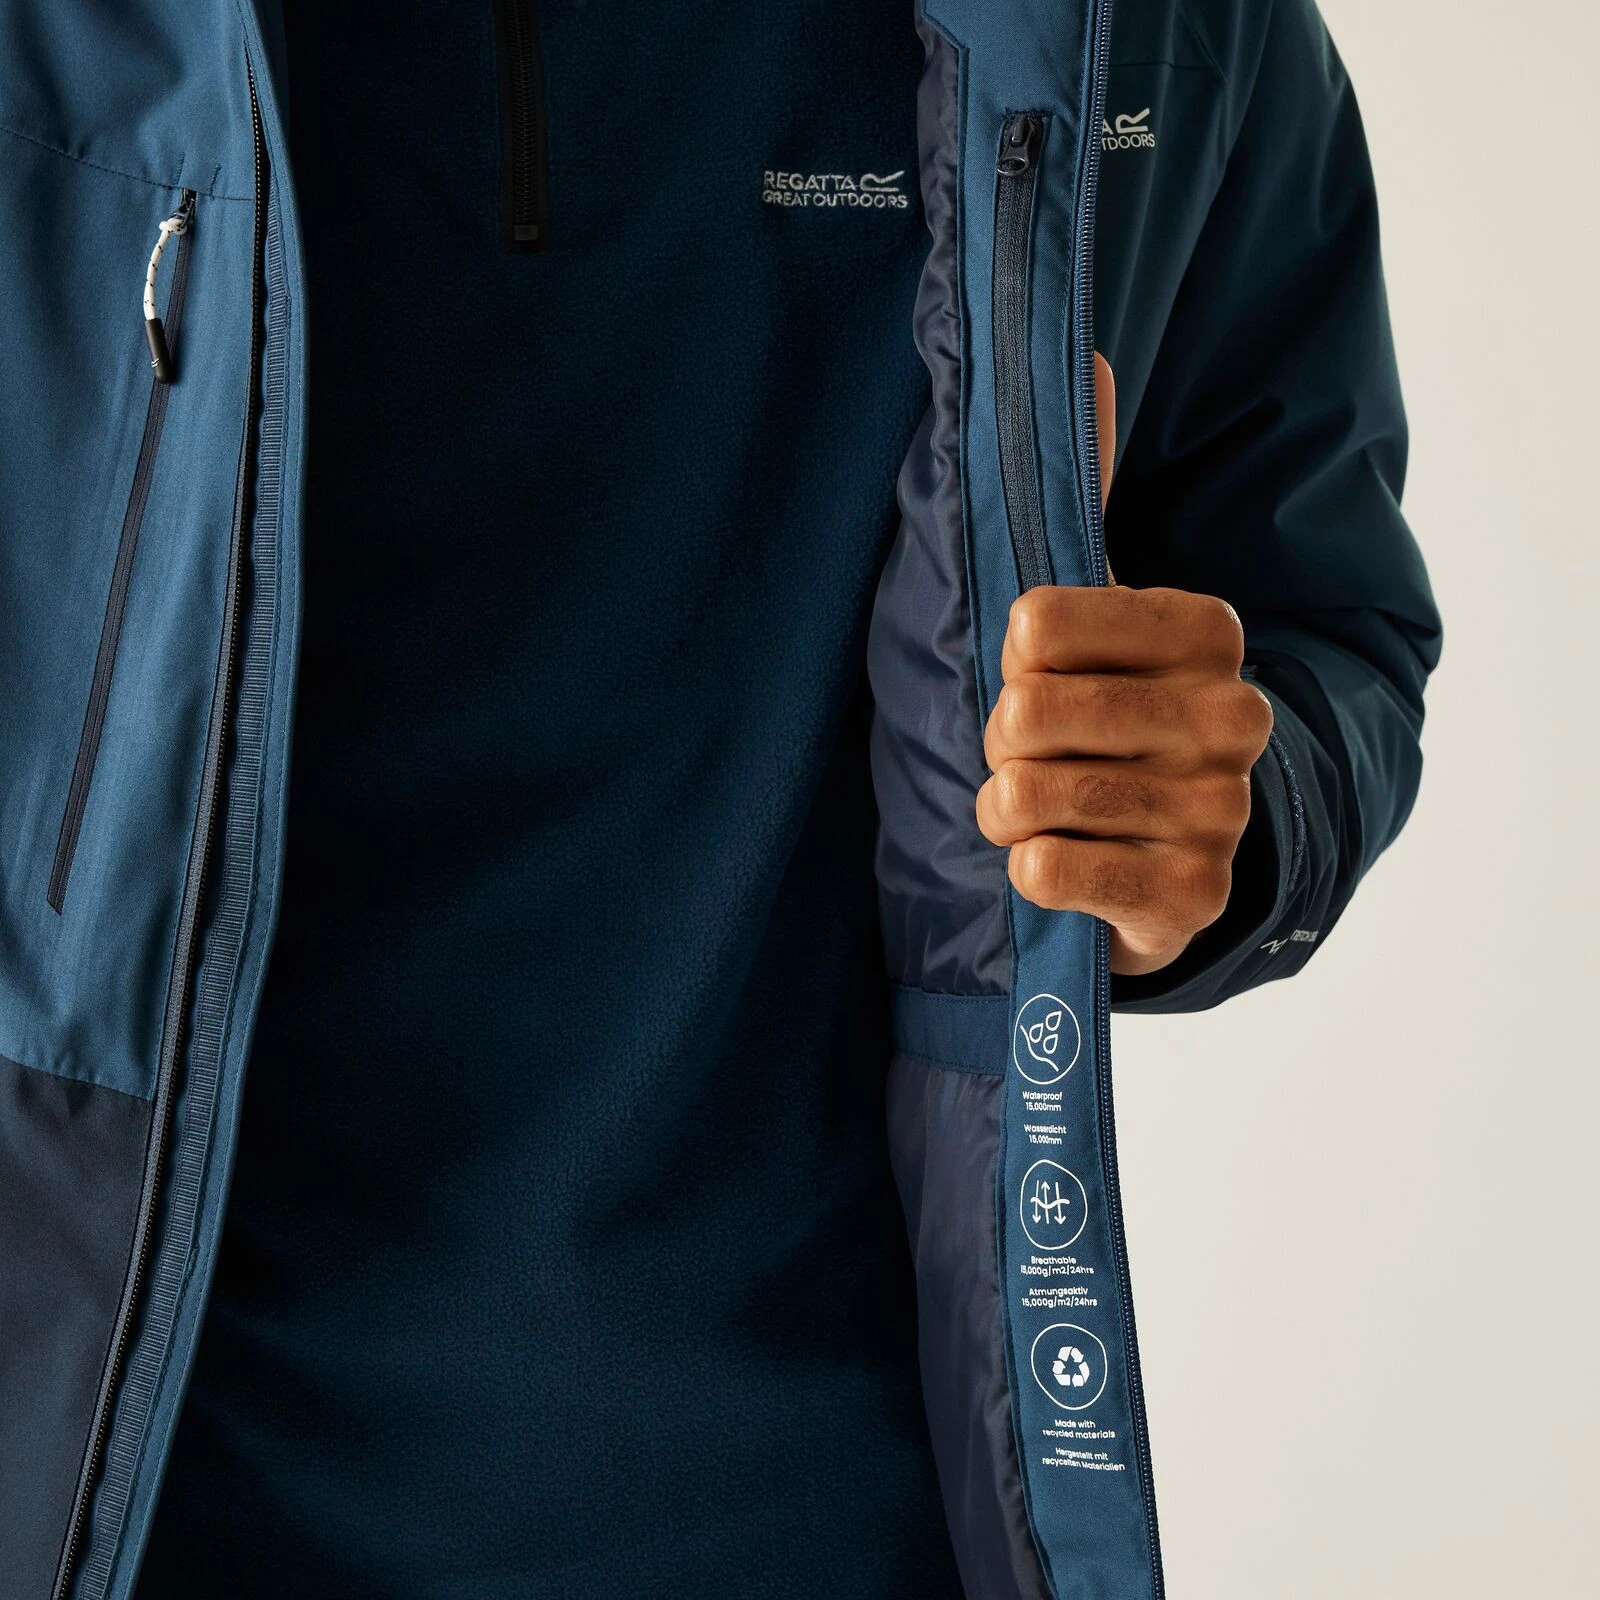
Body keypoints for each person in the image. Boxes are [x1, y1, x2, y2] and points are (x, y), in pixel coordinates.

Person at [0, 1, 1438, 1596]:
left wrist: (1218, 825)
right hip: (122, 1499)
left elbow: (1321, 628)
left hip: (846, 1510)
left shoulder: (1159, 26)